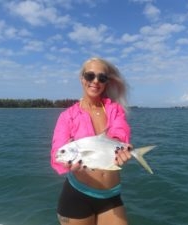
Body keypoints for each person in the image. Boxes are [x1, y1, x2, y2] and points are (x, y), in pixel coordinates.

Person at [50, 57, 133, 225]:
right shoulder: (68, 116)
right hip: (78, 195)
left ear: (106, 82)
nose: (95, 81)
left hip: (111, 195)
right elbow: (57, 152)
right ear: (82, 79)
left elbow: (119, 132)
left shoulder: (114, 109)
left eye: (101, 78)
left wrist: (119, 149)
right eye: (90, 76)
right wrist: (66, 164)